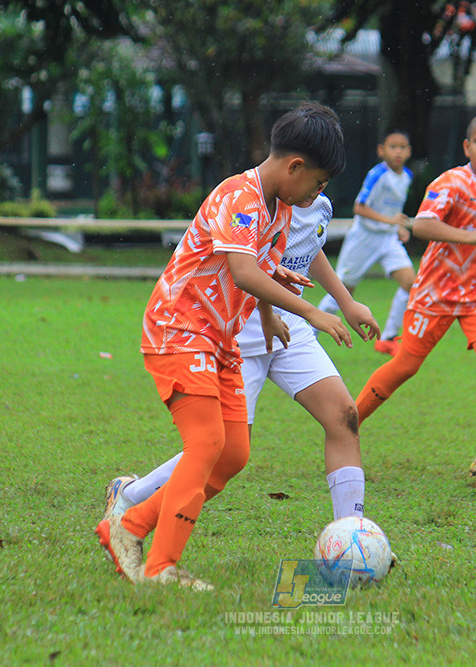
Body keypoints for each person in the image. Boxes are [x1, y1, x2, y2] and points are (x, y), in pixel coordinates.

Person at [95, 102, 359, 591]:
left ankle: (128, 526)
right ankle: (161, 567)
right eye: (318, 183)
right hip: (179, 331)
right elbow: (243, 270)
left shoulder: (281, 208)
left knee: (233, 453)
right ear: (294, 166)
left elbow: (257, 273)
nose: (319, 194)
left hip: (219, 339)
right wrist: (312, 312)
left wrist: (270, 315)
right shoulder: (240, 195)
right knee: (207, 443)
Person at [103, 195, 380, 539]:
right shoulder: (255, 201)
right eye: (318, 177)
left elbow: (310, 246)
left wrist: (347, 301)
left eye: (326, 182)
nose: (320, 188)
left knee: (344, 416)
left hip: (290, 327)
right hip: (241, 332)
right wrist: (270, 313)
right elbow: (250, 270)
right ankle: (131, 497)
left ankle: (351, 536)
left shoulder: (320, 202)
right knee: (223, 451)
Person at [354, 112, 476, 481]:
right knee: (405, 365)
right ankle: (348, 421)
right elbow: (423, 225)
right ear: (467, 147)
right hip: (436, 291)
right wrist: (470, 235)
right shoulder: (452, 182)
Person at [318, 129, 415, 356]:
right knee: (343, 291)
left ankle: (389, 338)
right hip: (364, 238)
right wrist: (390, 220)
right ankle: (309, 335)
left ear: (409, 151)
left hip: (387, 239)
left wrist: (397, 227)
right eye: (393, 146)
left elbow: (391, 209)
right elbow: (359, 208)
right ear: (381, 151)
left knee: (412, 284)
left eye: (403, 147)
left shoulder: (407, 176)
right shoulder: (377, 174)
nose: (398, 151)